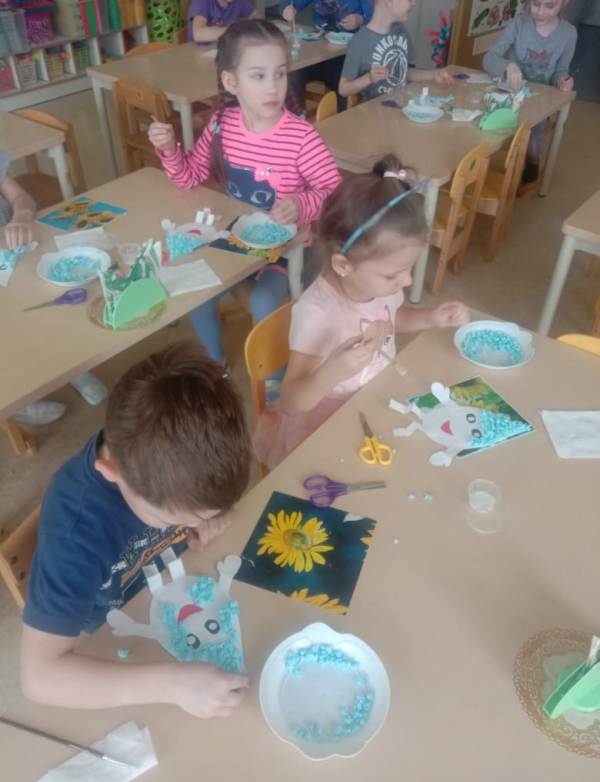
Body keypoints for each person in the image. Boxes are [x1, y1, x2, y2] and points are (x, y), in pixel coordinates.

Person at [21, 342, 251, 718]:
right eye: (174, 521)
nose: (191, 525)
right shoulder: (75, 535)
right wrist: (172, 685)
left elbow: (196, 502)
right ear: (112, 473)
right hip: (115, 632)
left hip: (175, 586)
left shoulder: (164, 463)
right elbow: (39, 678)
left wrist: (207, 515)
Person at [253, 155, 470, 470]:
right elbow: (291, 400)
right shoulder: (317, 314)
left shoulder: (382, 289)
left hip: (372, 399)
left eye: (408, 270)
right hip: (324, 420)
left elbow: (391, 319)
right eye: (393, 274)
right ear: (343, 265)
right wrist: (333, 371)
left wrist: (430, 318)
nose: (406, 282)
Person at [149, 19, 340, 368]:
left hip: (288, 249)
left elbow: (333, 191)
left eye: (279, 74)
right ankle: (215, 366)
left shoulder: (301, 137)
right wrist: (169, 149)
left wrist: (301, 204)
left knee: (263, 302)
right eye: (259, 76)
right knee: (195, 285)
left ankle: (273, 379)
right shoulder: (221, 125)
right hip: (236, 241)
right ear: (231, 82)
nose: (273, 87)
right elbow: (188, 178)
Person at [0, 148, 106, 426]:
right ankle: (21, 403)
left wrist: (21, 216)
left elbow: (21, 198)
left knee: (46, 307)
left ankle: (72, 367)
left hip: (13, 256)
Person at [483, 0, 577, 182]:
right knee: (490, 126)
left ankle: (532, 161)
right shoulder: (518, 24)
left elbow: (561, 70)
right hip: (510, 95)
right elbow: (489, 58)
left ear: (564, 3)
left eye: (550, 6)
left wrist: (564, 80)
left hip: (540, 101)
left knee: (532, 137)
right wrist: (507, 65)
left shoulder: (568, 33)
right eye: (535, 4)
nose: (540, 12)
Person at [339, 0, 454, 102]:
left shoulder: (400, 30)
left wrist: (433, 75)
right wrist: (369, 78)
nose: (414, 3)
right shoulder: (360, 41)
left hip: (400, 106)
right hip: (375, 114)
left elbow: (404, 72)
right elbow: (343, 89)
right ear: (389, 1)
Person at [188, 0, 257, 45]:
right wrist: (235, 30)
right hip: (196, 52)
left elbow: (256, 17)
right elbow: (198, 34)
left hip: (223, 50)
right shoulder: (201, 1)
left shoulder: (240, 1)